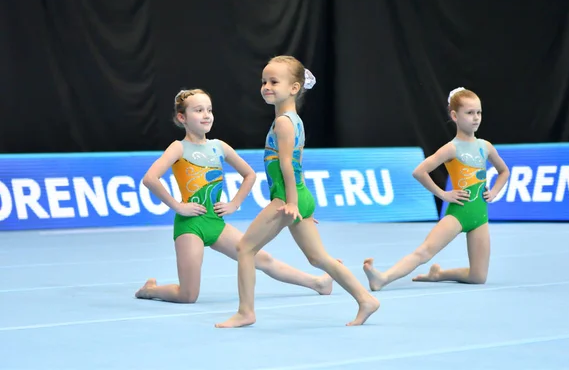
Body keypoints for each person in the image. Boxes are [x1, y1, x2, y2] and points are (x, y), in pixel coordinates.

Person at [215, 55, 380, 328]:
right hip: (299, 195)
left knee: (245, 248)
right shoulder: (292, 119)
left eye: (274, 81)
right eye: (264, 81)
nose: (266, 86)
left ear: (294, 88)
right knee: (318, 258)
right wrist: (301, 204)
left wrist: (291, 202)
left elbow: (288, 165)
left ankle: (246, 312)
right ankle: (365, 299)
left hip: (287, 197)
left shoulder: (284, 122)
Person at [134, 88, 334, 303]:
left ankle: (317, 283)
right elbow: (150, 178)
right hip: (190, 226)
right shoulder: (178, 148)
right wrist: (178, 206)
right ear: (182, 117)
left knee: (263, 258)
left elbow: (249, 174)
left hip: (216, 223)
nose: (206, 115)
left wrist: (234, 203)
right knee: (188, 295)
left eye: (209, 110)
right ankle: (151, 290)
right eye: (198, 110)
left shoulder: (218, 146)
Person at [363, 87, 510, 289]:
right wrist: (443, 194)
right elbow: (419, 171)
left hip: (480, 218)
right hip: (459, 213)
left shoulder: (485, 146)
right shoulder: (452, 148)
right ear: (454, 115)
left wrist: (493, 191)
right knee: (424, 252)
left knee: (478, 277)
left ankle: (439, 274)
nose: (476, 118)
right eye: (469, 113)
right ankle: (383, 278)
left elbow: (504, 171)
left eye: (479, 112)